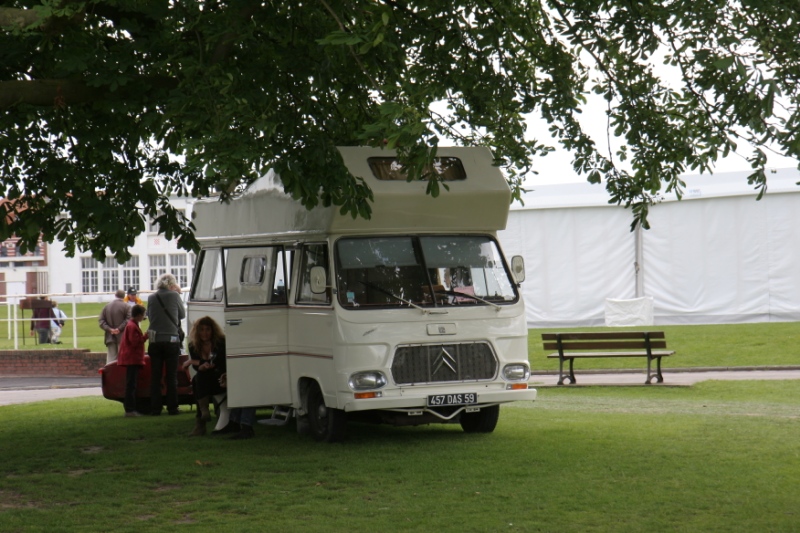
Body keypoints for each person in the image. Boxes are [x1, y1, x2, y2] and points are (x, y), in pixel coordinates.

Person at [146, 273, 185, 416]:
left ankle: (155, 408)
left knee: (155, 376)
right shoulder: (174, 296)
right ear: (172, 284)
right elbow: (182, 315)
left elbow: (149, 315)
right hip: (171, 340)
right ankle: (172, 408)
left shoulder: (151, 297)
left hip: (155, 340)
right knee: (171, 375)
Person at [184, 316, 226, 436]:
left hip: (220, 378)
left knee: (198, 380)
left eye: (207, 329)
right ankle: (203, 412)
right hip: (206, 380)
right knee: (199, 377)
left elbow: (219, 363)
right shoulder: (193, 346)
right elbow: (199, 367)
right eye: (201, 329)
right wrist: (200, 365)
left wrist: (193, 362)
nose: (204, 333)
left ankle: (202, 417)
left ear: (213, 330)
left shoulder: (221, 343)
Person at [117, 304, 148, 417]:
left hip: (131, 358)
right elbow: (135, 342)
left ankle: (131, 408)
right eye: (143, 315)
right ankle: (130, 409)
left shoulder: (131, 325)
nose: (143, 317)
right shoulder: (132, 326)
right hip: (132, 359)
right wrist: (145, 336)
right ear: (139, 315)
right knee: (131, 385)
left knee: (131, 384)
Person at [99, 289, 131, 364]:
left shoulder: (107, 306)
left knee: (111, 360)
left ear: (115, 295)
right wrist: (119, 329)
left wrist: (110, 329)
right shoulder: (127, 306)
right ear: (124, 296)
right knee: (123, 360)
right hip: (123, 337)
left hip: (110, 336)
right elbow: (129, 320)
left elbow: (101, 321)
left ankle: (110, 375)